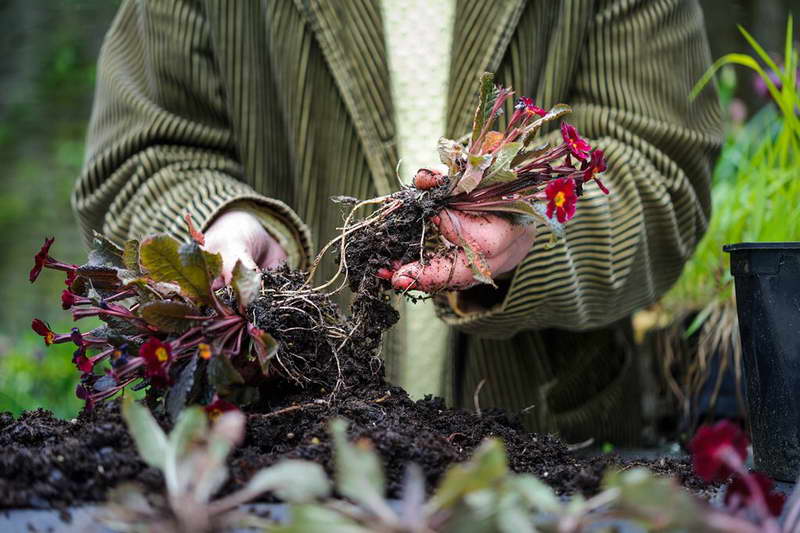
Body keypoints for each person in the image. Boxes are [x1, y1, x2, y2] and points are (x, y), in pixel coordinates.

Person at [74, 0, 722, 444]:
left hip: (542, 451)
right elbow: (142, 153)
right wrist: (228, 222)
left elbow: (660, 171)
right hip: (273, 448)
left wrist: (532, 234)